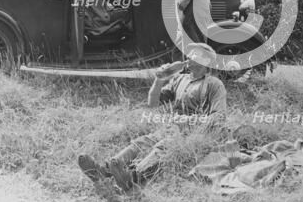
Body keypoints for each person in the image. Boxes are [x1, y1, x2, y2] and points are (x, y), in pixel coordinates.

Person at [78, 43, 227, 192]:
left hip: (194, 133)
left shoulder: (214, 84)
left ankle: (132, 178)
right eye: (190, 54)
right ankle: (104, 171)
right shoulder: (180, 80)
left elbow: (219, 117)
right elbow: (153, 103)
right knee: (144, 141)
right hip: (173, 128)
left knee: (164, 146)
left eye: (195, 55)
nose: (189, 58)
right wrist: (159, 79)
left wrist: (188, 121)